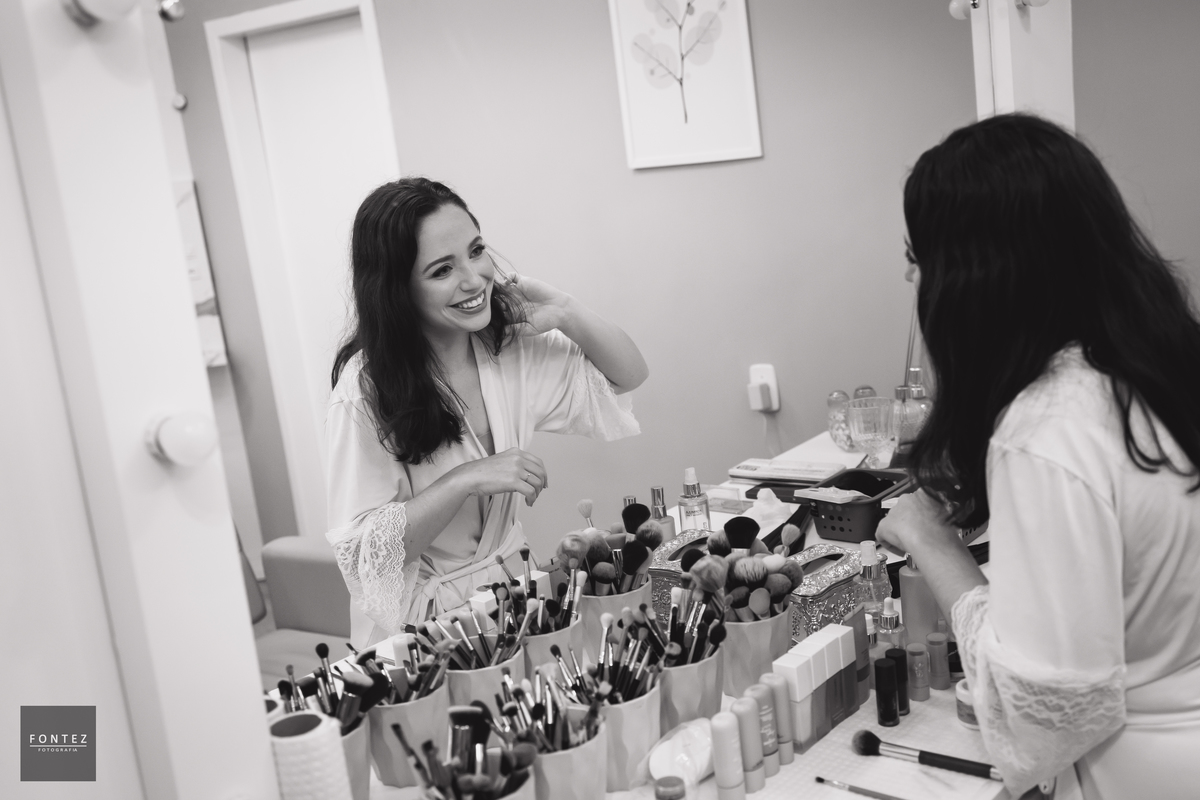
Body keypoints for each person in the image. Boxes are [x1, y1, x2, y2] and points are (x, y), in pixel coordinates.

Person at [876, 114, 1200, 800]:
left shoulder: (1047, 429)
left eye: (917, 256)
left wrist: (931, 540)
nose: (911, 277)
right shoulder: (1160, 367)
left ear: (972, 276)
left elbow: (1041, 724)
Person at [326, 177, 648, 647]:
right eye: (442, 270)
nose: (474, 279)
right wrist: (466, 479)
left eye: (476, 251)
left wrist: (565, 311)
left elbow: (628, 374)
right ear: (398, 290)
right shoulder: (363, 392)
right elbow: (366, 560)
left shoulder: (506, 346)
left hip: (513, 600)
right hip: (420, 635)